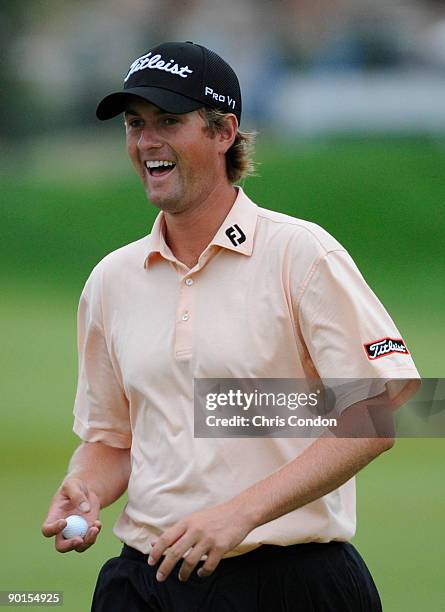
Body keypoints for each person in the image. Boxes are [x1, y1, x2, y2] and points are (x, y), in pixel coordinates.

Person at [42, 41, 420, 611]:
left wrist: (238, 515)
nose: (147, 141)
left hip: (289, 583)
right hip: (146, 582)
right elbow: (111, 437)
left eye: (169, 121)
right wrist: (86, 488)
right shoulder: (111, 280)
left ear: (224, 133)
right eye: (135, 124)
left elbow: (374, 415)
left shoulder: (301, 254)